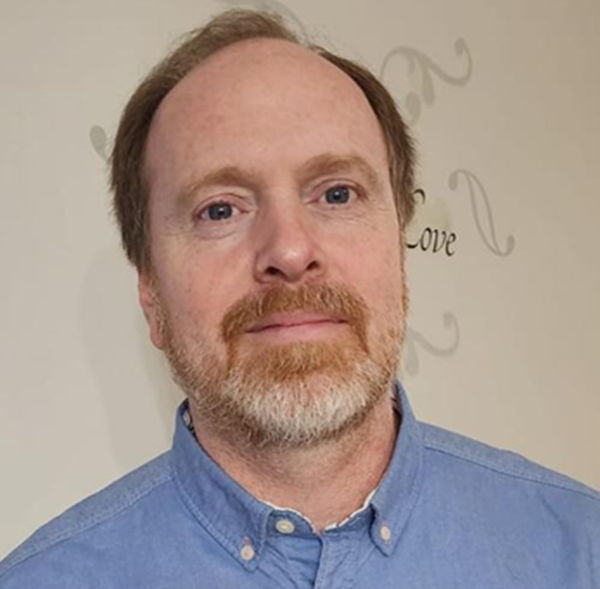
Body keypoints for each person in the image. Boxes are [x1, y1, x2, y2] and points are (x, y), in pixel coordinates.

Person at [1, 8, 598, 588]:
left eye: (337, 194)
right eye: (220, 209)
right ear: (150, 293)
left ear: (399, 246)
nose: (288, 251)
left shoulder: (581, 550)